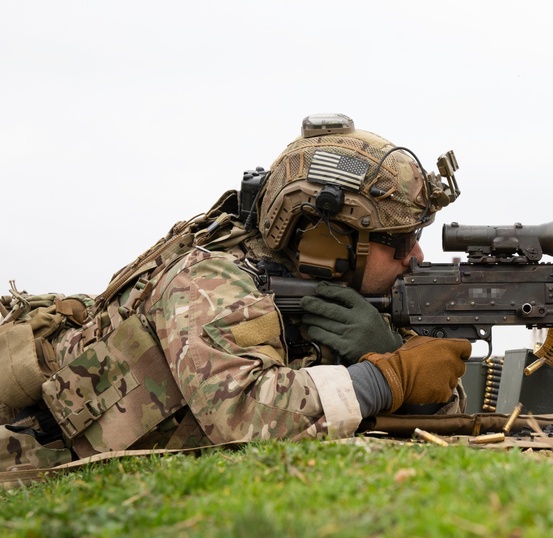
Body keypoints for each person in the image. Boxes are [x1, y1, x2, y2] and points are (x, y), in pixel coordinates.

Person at [0, 113, 471, 471]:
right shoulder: (209, 281)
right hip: (30, 457)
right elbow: (245, 416)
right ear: (329, 237)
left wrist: (399, 368)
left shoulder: (344, 289)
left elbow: (435, 420)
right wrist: (385, 378)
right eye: (402, 241)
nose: (418, 256)